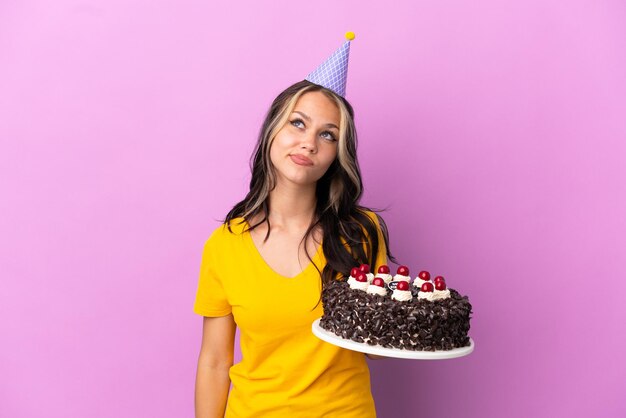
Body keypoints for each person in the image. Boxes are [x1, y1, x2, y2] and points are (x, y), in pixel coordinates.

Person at [193, 34, 393, 417]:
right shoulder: (224, 245)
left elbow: (377, 350)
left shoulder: (361, 233)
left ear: (338, 154)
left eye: (327, 135)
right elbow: (215, 363)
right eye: (297, 123)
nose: (309, 143)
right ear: (272, 131)